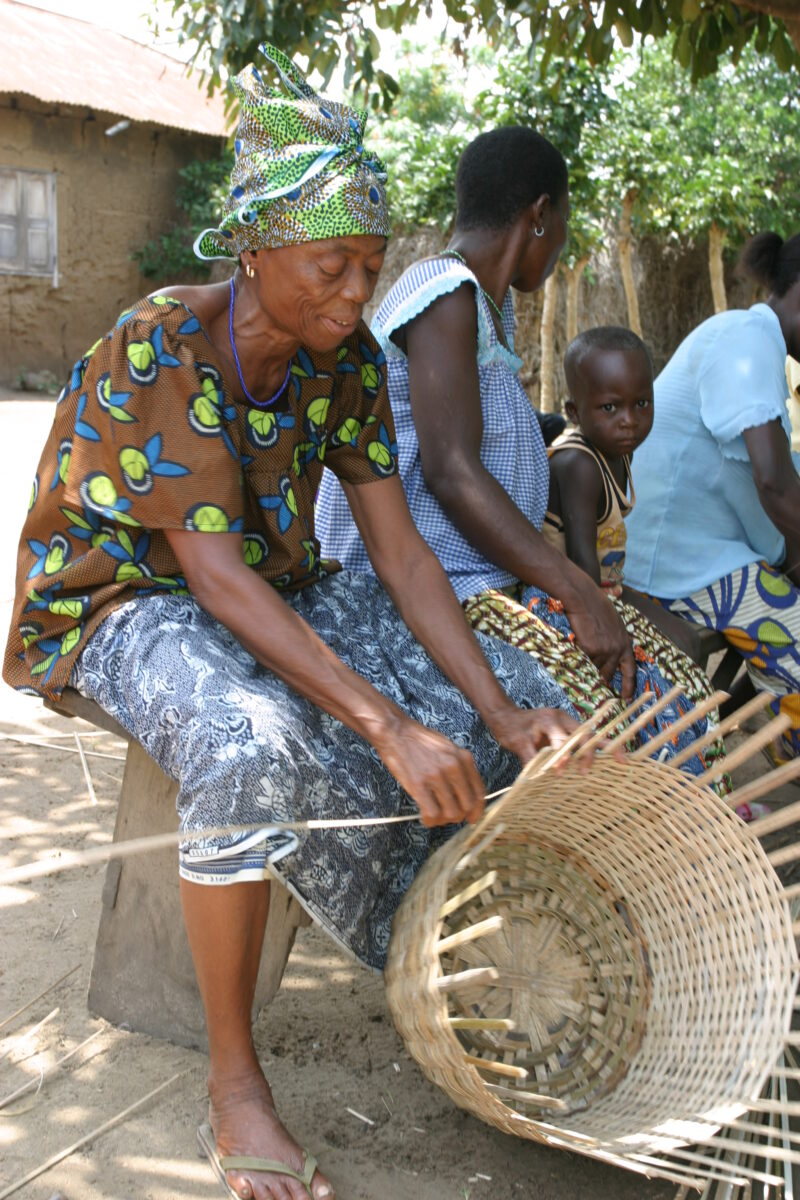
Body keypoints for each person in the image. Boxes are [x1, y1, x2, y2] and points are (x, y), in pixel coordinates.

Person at [2, 50, 580, 1200]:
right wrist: (384, 728)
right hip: (120, 598)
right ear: (255, 251)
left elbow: (403, 555)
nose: (357, 293)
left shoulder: (348, 362)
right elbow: (210, 581)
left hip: (268, 577)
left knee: (494, 668)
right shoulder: (159, 343)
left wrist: (494, 708)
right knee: (250, 744)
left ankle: (452, 937)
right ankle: (234, 1085)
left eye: (370, 267)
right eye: (332, 265)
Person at [317, 128, 721, 777]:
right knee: (645, 715)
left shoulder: (484, 308)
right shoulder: (444, 293)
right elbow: (451, 469)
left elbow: (480, 433)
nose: (560, 246)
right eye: (562, 223)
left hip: (475, 588)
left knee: (673, 680)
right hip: (421, 596)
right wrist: (576, 589)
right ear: (540, 215)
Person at [625, 231, 800, 765]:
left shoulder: (758, 346)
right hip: (674, 563)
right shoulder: (744, 339)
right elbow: (773, 483)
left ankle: (779, 740)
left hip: (706, 559)